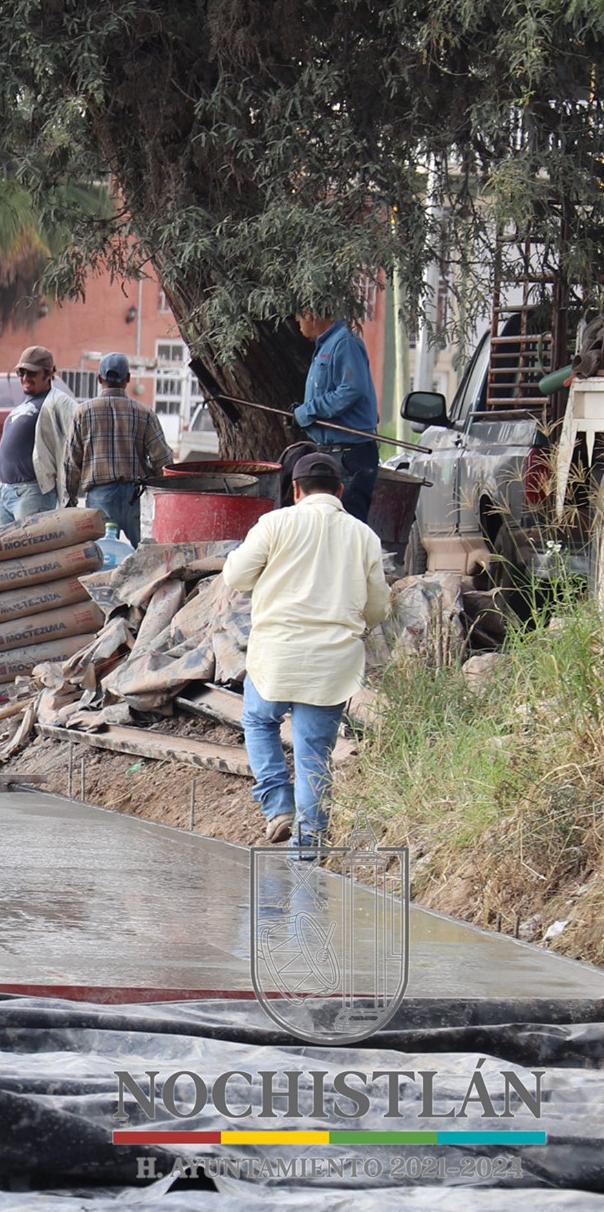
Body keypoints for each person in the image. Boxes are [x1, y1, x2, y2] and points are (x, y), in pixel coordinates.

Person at [223, 452, 391, 851]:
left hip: (276, 657)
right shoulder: (363, 535)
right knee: (314, 750)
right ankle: (310, 838)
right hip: (333, 662)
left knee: (259, 720)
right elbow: (378, 605)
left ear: (295, 490)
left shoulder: (275, 523)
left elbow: (236, 575)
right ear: (340, 491)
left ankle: (278, 806)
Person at [64, 352, 172, 545]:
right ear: (128, 379)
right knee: (144, 555)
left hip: (100, 497)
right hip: (135, 496)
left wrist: (70, 499)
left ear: (99, 378)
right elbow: (162, 459)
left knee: (102, 557)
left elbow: (72, 462)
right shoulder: (144, 413)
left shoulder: (83, 413)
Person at [293, 310, 380, 523]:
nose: (297, 323)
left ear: (311, 315)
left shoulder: (345, 344)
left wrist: (307, 411)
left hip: (350, 455)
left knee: (348, 525)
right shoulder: (326, 346)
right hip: (333, 453)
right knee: (327, 526)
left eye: (299, 318)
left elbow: (351, 390)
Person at [0, 345, 77, 526]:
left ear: (48, 374)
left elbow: (79, 439)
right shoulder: (25, 403)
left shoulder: (59, 401)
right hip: (5, 492)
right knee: (5, 554)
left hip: (33, 493)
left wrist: (70, 491)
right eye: (21, 373)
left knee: (30, 553)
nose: (25, 378)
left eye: (31, 373)